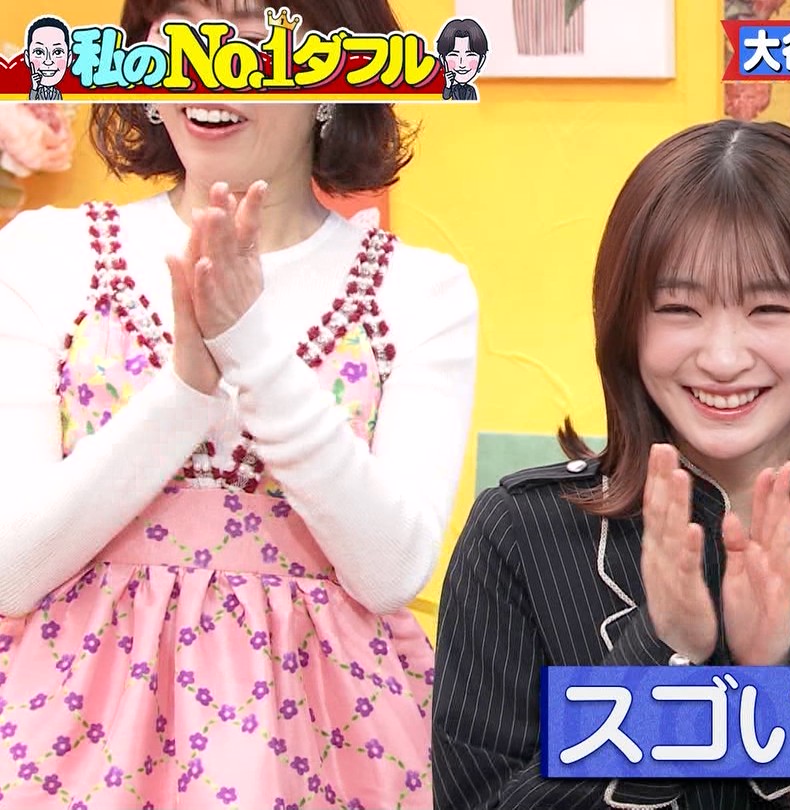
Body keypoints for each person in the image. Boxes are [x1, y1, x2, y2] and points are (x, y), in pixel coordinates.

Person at [432, 119, 790, 810]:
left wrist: (779, 681)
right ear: (627, 320)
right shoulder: (520, 536)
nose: (723, 358)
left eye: (769, 307)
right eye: (679, 308)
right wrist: (664, 654)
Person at [0, 0, 478, 806]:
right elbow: (11, 569)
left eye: (255, 38)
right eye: (177, 32)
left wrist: (247, 345)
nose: (207, 64)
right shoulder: (44, 256)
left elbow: (391, 569)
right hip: (64, 739)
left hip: (330, 742)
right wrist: (186, 391)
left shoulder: (421, 292)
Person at [23, 16, 70, 101]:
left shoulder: (58, 93)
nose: (48, 62)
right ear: (27, 57)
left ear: (69, 58)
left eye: (57, 52)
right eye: (39, 52)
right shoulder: (35, 91)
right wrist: (34, 88)